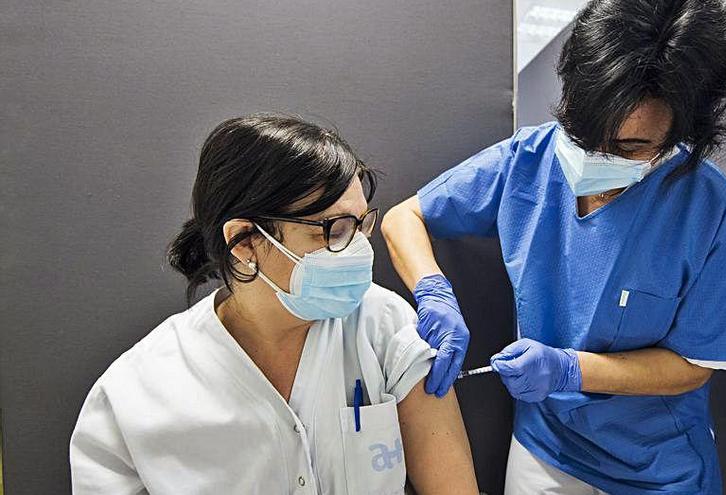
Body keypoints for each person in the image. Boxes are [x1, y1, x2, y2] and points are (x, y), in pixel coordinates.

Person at [381, 1, 726, 493]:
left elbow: (691, 368)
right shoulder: (529, 162)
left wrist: (568, 370)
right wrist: (433, 292)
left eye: (628, 148)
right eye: (585, 132)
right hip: (546, 449)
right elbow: (403, 218)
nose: (596, 156)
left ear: (681, 131)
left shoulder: (712, 212)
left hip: (656, 466)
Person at [70, 114, 479, 495]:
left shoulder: (384, 325)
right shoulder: (132, 397)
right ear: (245, 241)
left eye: (360, 225)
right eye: (332, 231)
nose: (357, 249)